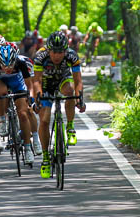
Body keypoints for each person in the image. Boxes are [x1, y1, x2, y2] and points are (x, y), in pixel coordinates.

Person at [33, 30, 86, 179]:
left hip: (63, 79)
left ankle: (70, 127)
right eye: (54, 52)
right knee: (44, 120)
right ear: (48, 50)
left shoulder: (72, 56)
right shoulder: (40, 56)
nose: (57, 55)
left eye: (60, 52)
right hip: (46, 84)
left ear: (65, 50)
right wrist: (38, 97)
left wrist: (79, 99)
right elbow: (36, 81)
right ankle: (45, 158)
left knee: (70, 91)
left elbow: (78, 81)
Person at [0, 43, 41, 165]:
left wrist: (31, 98)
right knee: (0, 90)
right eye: (4, 66)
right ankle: (2, 120)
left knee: (23, 113)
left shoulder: (22, 62)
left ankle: (28, 148)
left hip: (18, 83)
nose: (7, 69)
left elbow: (29, 85)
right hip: (0, 83)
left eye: (11, 65)